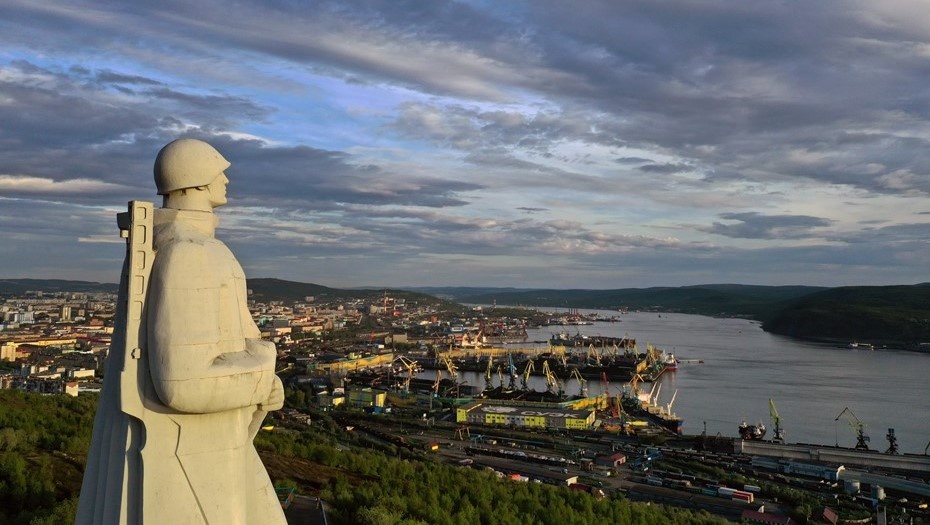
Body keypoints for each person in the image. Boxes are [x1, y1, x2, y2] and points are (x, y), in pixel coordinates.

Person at [77, 139, 286, 524]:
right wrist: (261, 371)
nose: (225, 179)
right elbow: (182, 382)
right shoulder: (189, 252)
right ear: (196, 182)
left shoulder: (191, 247)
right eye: (217, 171)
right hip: (192, 460)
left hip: (215, 451)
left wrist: (260, 383)